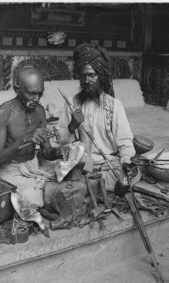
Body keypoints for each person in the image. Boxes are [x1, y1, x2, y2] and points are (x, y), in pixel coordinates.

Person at [56, 43, 140, 192]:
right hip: (81, 164)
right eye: (82, 76)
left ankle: (89, 185)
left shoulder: (115, 105)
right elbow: (60, 141)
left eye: (91, 75)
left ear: (101, 76)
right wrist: (72, 126)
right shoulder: (72, 103)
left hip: (109, 163)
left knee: (135, 172)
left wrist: (127, 162)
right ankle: (96, 185)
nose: (86, 81)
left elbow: (125, 143)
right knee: (59, 167)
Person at [0, 66, 64, 228]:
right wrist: (24, 139)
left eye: (40, 93)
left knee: (69, 178)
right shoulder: (3, 112)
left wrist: (58, 151)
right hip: (11, 169)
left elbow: (46, 152)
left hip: (34, 166)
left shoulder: (39, 112)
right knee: (17, 195)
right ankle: (38, 206)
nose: (37, 98)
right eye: (31, 93)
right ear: (17, 89)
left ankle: (36, 205)